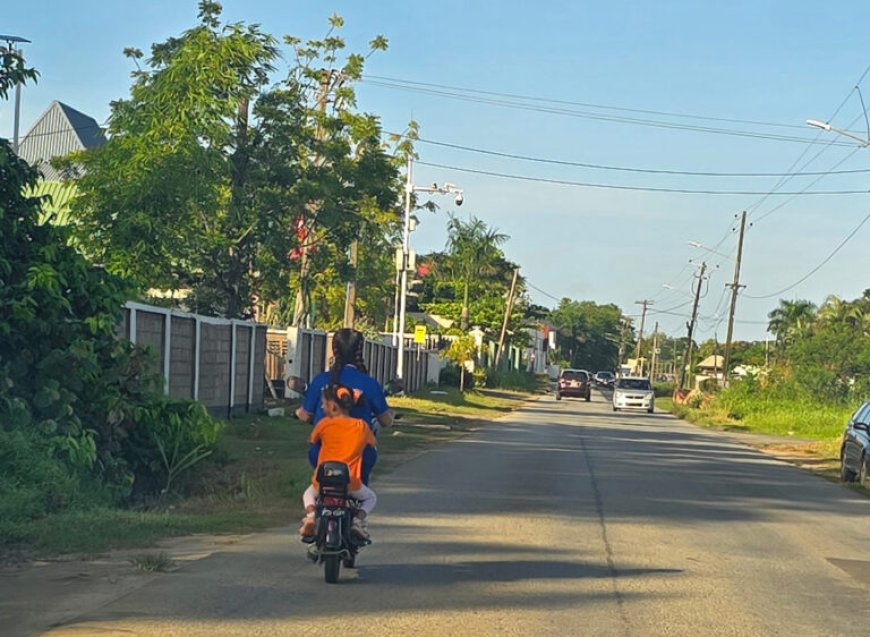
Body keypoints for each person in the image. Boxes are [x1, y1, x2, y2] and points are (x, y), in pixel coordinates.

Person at [296, 329, 393, 484]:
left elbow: (305, 415)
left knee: (315, 488)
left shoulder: (321, 381)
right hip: (360, 456)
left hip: (322, 454)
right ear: (360, 351)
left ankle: (314, 505)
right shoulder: (369, 384)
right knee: (364, 492)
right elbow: (386, 421)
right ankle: (360, 507)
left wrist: (299, 412)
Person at [300, 383, 378, 540]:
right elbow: (372, 443)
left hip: (323, 480)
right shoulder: (361, 426)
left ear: (333, 407)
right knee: (370, 498)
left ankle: (311, 515)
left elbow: (313, 440)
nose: (322, 407)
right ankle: (357, 521)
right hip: (350, 482)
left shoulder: (324, 424)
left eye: (324, 404)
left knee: (308, 494)